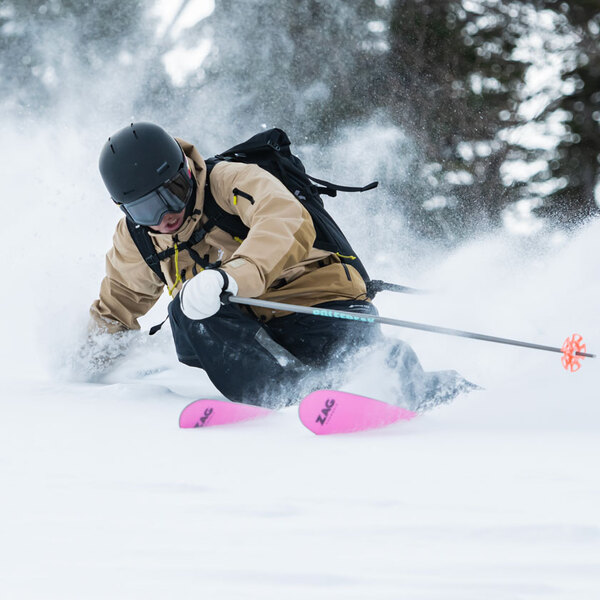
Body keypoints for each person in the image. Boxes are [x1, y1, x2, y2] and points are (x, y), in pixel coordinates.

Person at [89, 122, 474, 409]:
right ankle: (289, 394)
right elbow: (117, 304)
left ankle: (419, 383)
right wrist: (88, 359)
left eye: (171, 195)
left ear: (186, 173)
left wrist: (231, 277)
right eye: (144, 209)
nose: (164, 217)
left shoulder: (229, 181)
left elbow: (283, 219)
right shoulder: (138, 237)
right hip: (248, 335)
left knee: (359, 363)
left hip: (315, 304)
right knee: (186, 312)